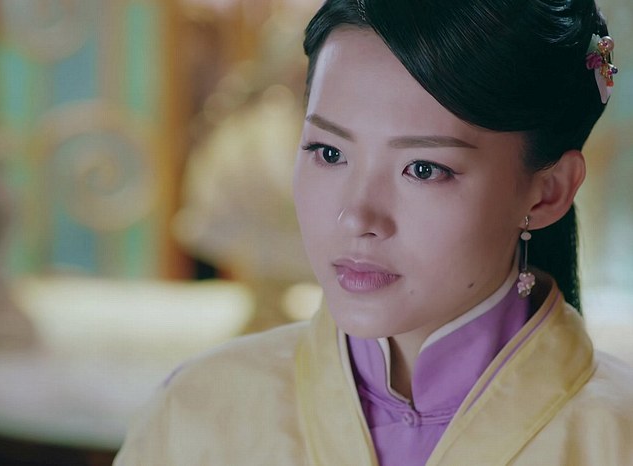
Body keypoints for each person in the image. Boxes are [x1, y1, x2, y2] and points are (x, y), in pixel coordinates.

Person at [114, 0, 633, 464]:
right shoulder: (198, 415)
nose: (356, 217)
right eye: (329, 153)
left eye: (423, 169)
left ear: (547, 193)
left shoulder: (615, 439)